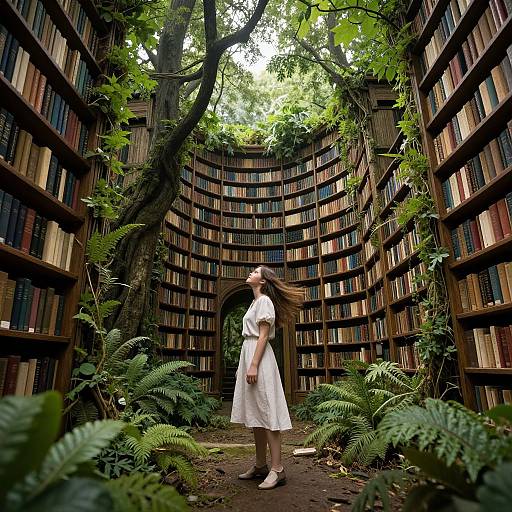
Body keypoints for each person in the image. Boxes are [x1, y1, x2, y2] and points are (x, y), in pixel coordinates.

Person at [230, 265, 304, 490]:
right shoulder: (255, 302)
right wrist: (243, 367)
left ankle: (277, 469)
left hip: (259, 359)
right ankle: (261, 465)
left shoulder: (264, 302)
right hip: (250, 356)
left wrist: (253, 365)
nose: (250, 272)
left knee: (268, 413)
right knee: (256, 414)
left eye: (254, 271)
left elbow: (262, 337)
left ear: (262, 281)